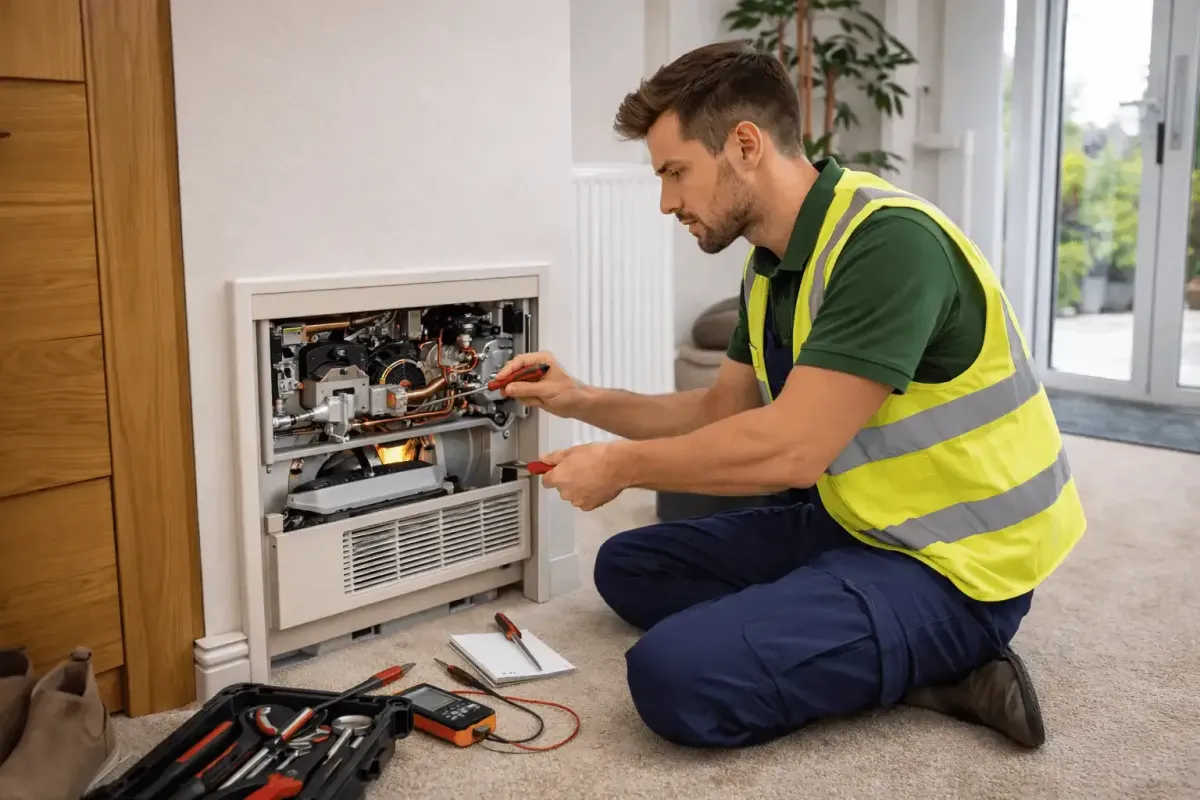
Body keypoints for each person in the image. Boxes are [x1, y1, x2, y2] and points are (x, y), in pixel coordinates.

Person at [492, 39, 1085, 750]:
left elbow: (795, 449)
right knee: (628, 567)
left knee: (673, 676)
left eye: (676, 172)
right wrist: (578, 397)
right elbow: (717, 413)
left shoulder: (889, 244)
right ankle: (857, 643)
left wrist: (620, 466)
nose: (665, 201)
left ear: (745, 144)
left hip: (963, 566)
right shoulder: (771, 265)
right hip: (859, 524)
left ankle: (948, 658)